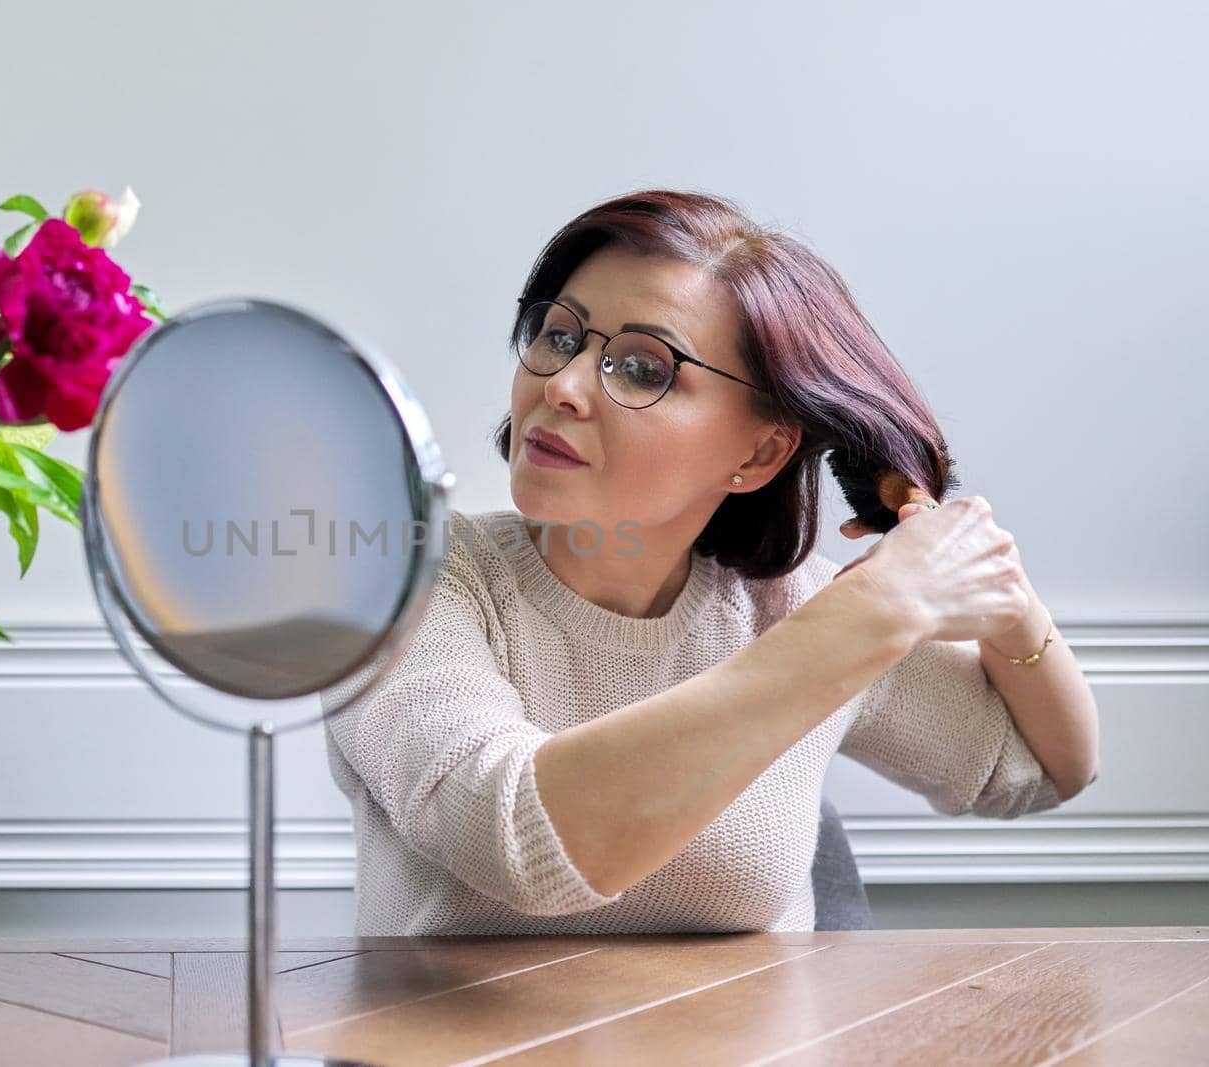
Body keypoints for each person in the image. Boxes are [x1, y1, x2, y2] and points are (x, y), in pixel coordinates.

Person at [320, 189, 1100, 935]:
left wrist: (1002, 590)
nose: (560, 385)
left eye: (644, 368)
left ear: (759, 452)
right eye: (561, 335)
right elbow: (516, 839)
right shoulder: (406, 577)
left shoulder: (795, 609)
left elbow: (1039, 767)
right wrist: (869, 617)